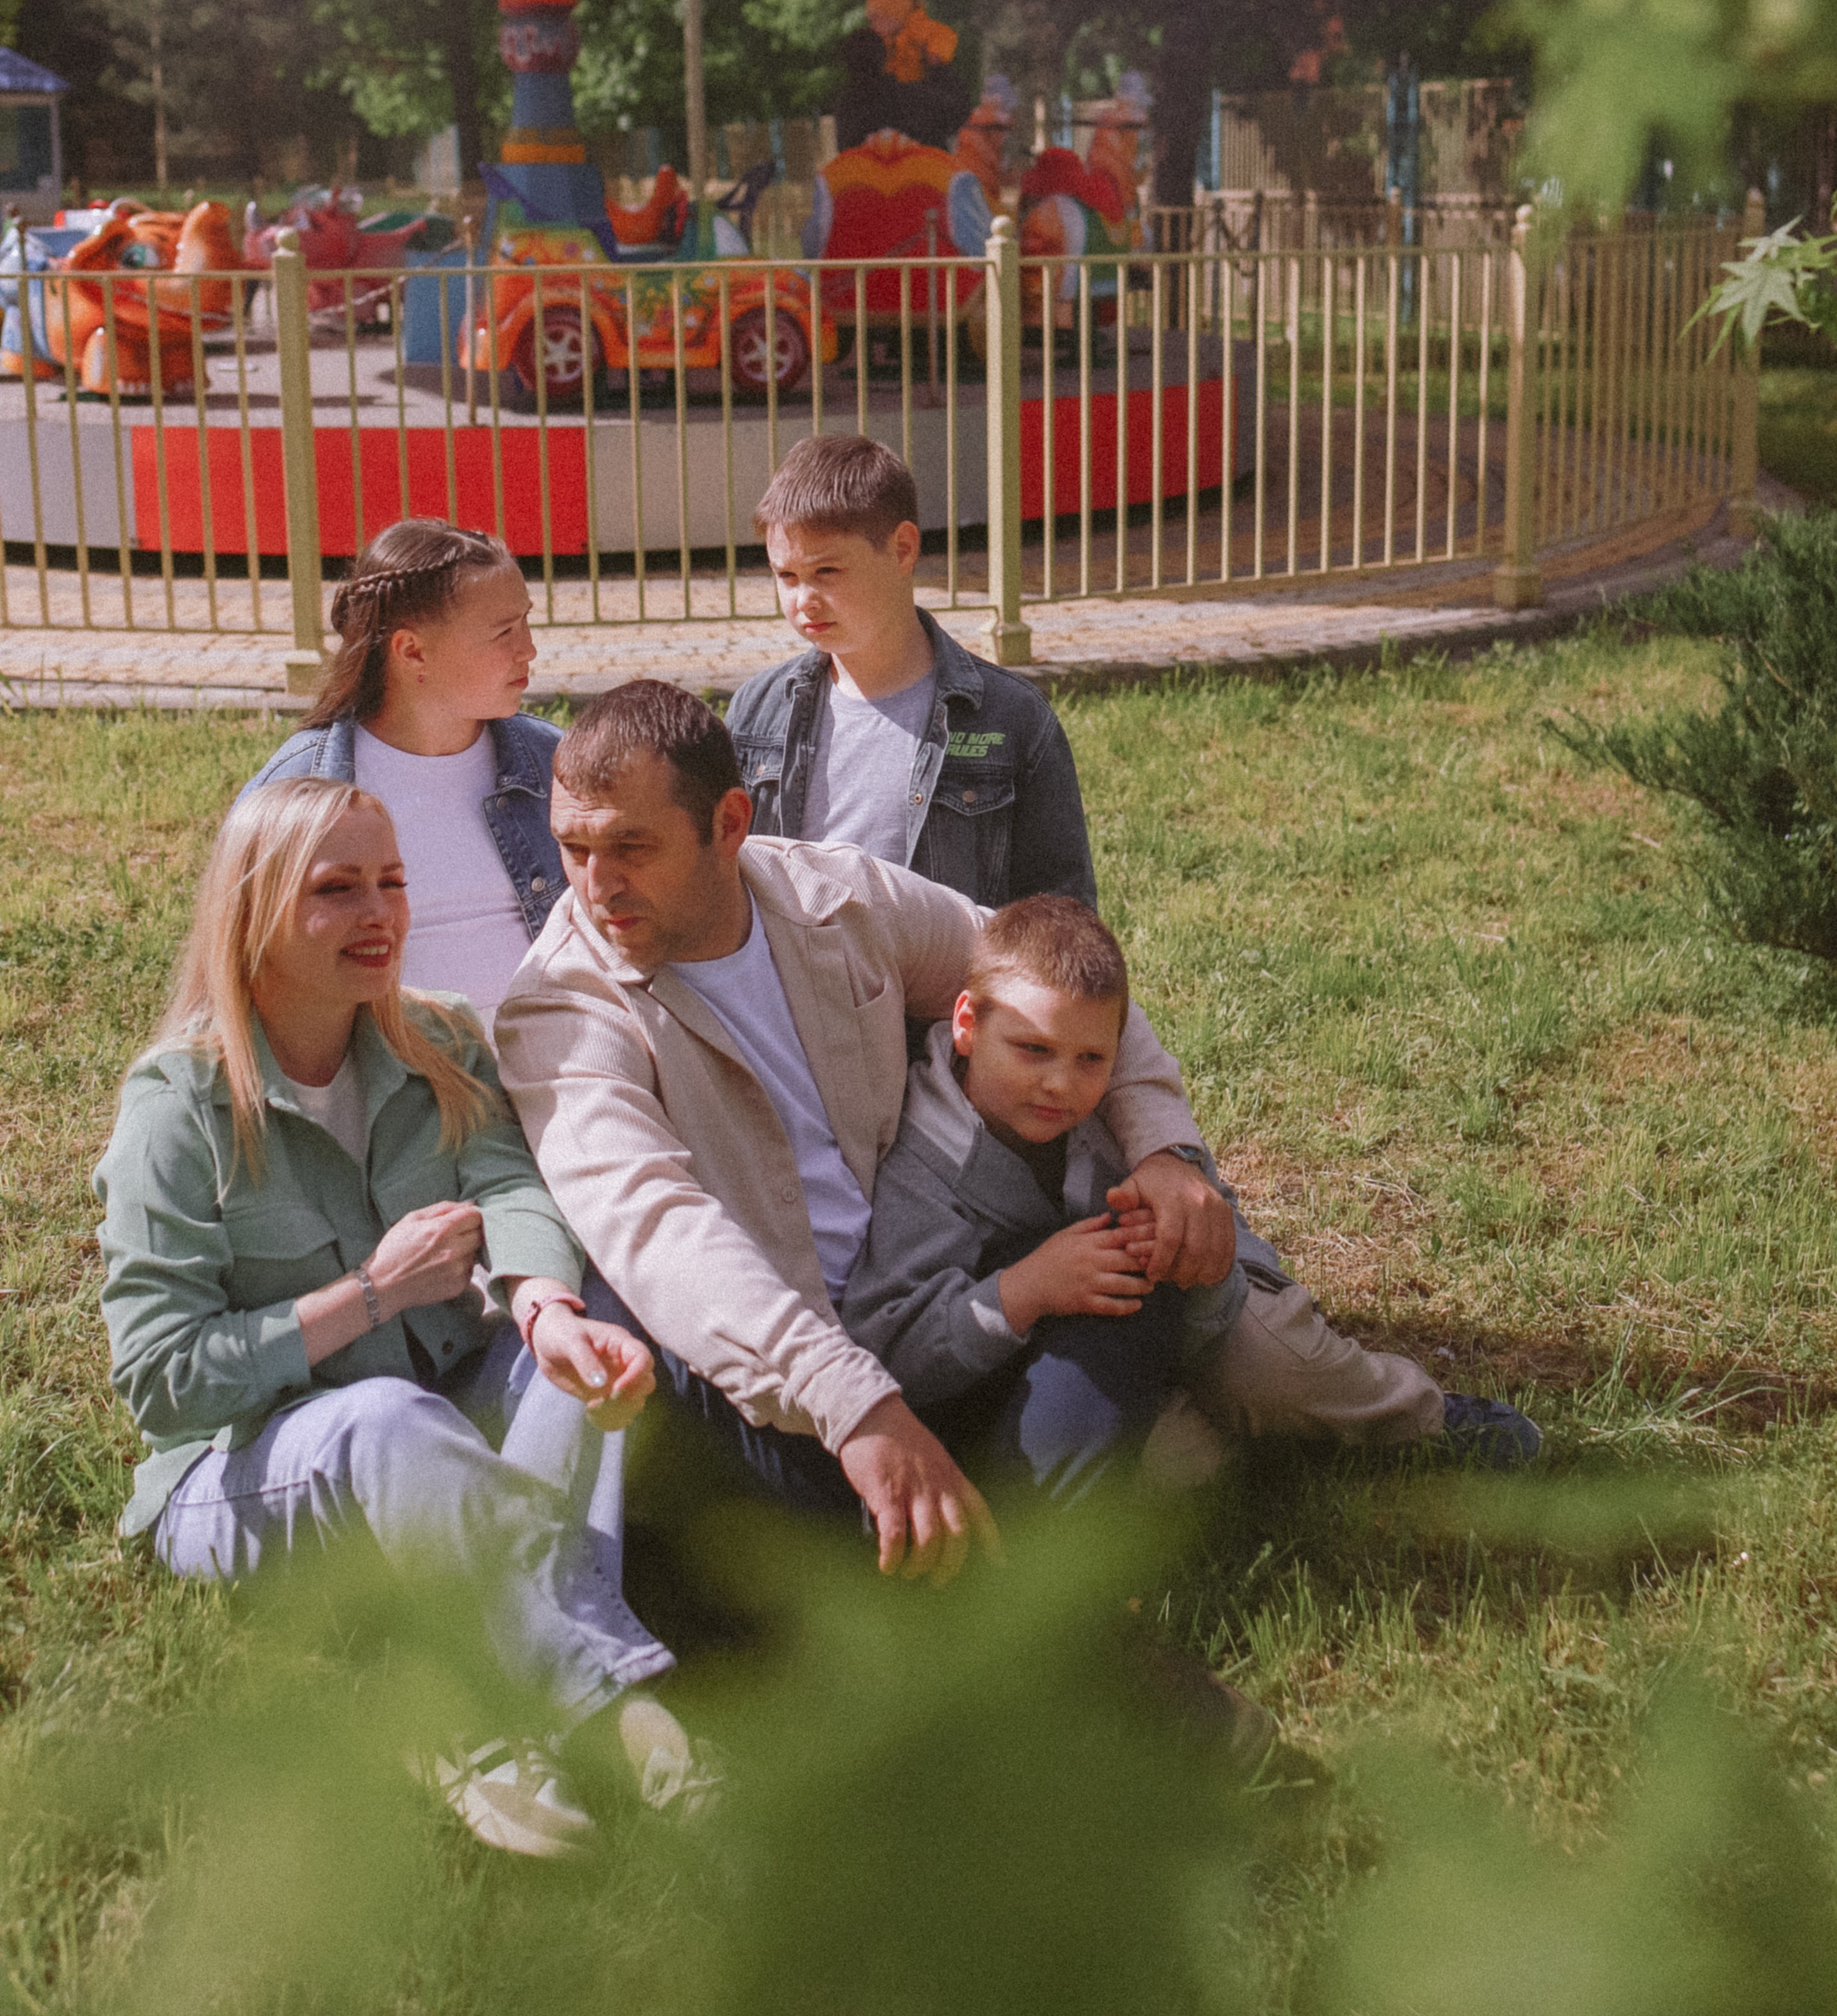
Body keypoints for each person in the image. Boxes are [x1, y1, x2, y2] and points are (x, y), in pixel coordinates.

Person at [493, 681, 1237, 1587]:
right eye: (572, 848)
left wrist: (1165, 1148)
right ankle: (1019, 1598)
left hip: (944, 1296)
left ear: (729, 823)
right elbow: (660, 1232)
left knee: (1131, 1269)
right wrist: (860, 1410)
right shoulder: (560, 1010)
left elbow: (1044, 976)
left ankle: (991, 1588)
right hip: (784, 1395)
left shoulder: (835, 895)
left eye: (630, 848)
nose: (594, 884)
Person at [95, 776, 702, 1858]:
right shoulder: (175, 1111)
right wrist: (370, 1293)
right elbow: (164, 1379)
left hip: (432, 1416)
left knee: (587, 1335)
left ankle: (468, 1696)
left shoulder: (438, 1040)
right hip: (242, 1471)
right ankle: (622, 1710)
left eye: (392, 880)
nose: (380, 914)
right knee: (379, 1415)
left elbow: (512, 1187)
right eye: (337, 889)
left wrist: (550, 1310)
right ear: (254, 908)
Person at [842, 896, 1542, 1469]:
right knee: (1175, 1469)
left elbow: (1204, 1240)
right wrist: (1026, 1289)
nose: (1060, 1083)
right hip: (1044, 1357)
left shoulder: (1112, 1117)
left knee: (1278, 1373)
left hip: (1200, 1309)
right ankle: (1254, 1439)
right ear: (966, 1024)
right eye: (1032, 1050)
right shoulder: (921, 1165)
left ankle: (1420, 1420)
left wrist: (1193, 1264)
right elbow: (890, 1350)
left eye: (1091, 1058)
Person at [725, 435, 1095, 909]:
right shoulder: (757, 713)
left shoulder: (1011, 720)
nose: (804, 601)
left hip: (948, 982)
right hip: (797, 983)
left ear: (902, 549)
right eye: (787, 577)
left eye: (828, 572)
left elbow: (1063, 915)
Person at [244, 519, 562, 1032]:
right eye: (504, 632)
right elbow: (241, 966)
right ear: (412, 652)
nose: (528, 650)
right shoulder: (302, 785)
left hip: (554, 1069)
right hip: (389, 1089)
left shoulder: (554, 763)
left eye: (526, 623)